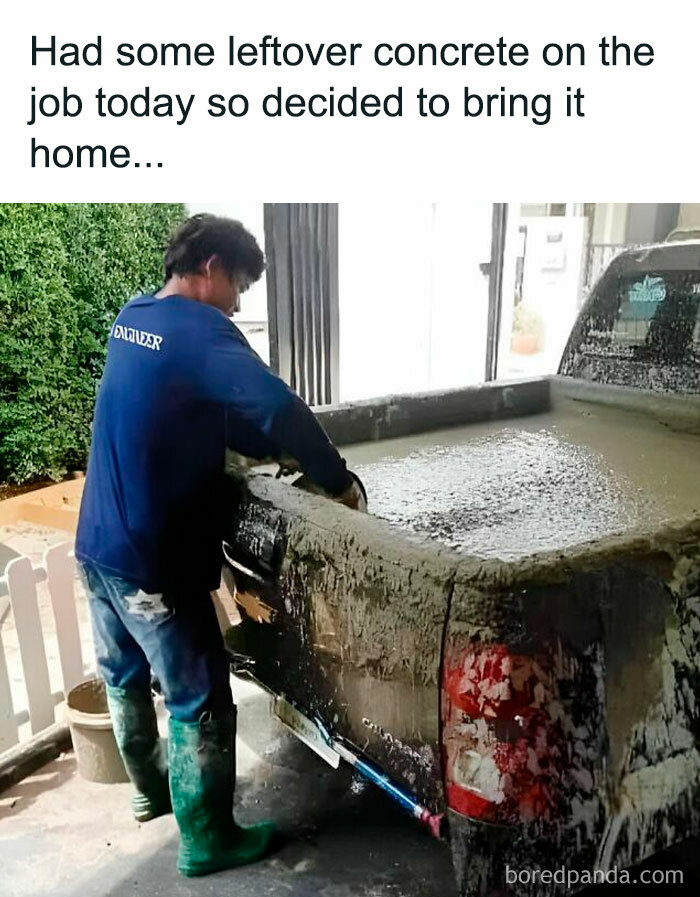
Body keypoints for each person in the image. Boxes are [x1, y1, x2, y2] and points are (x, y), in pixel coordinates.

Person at [75, 213, 362, 877]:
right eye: (237, 284)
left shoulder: (134, 316)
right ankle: (206, 838)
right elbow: (278, 407)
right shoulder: (200, 328)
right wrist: (337, 480)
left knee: (123, 673)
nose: (237, 302)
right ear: (209, 269)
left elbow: (187, 408)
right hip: (154, 564)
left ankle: (150, 792)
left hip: (96, 547)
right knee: (199, 695)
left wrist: (257, 449)